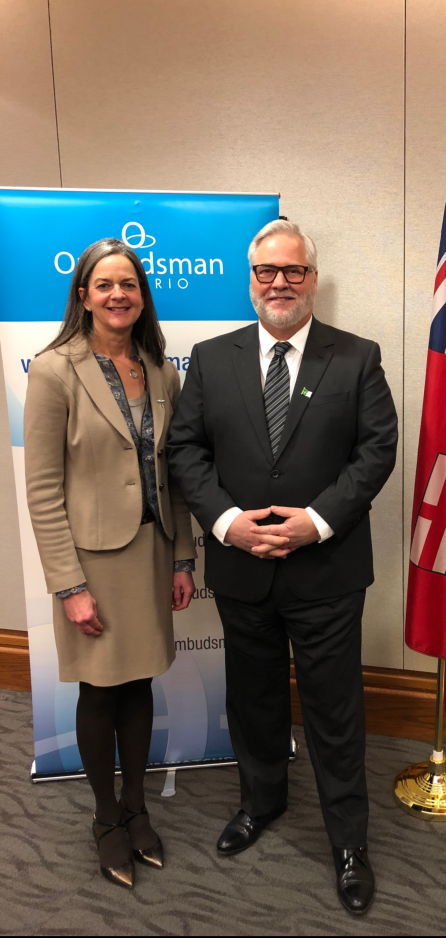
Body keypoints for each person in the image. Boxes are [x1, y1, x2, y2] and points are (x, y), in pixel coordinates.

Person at [167, 219, 398, 915]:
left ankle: (348, 841)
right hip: (242, 569)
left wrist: (317, 521)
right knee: (255, 700)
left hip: (325, 571)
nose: (279, 283)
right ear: (250, 279)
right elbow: (186, 452)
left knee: (334, 711)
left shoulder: (355, 358)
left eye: (292, 271)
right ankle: (260, 803)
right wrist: (229, 523)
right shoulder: (210, 359)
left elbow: (375, 451)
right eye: (266, 271)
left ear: (312, 278)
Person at [24, 238, 196, 890]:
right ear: (83, 295)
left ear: (142, 295)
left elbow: (174, 474)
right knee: (100, 690)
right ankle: (104, 819)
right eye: (105, 285)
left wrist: (183, 558)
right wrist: (68, 584)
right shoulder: (53, 370)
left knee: (141, 683)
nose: (118, 294)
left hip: (151, 555)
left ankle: (137, 807)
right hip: (93, 563)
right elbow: (42, 488)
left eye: (129, 284)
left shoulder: (159, 370)